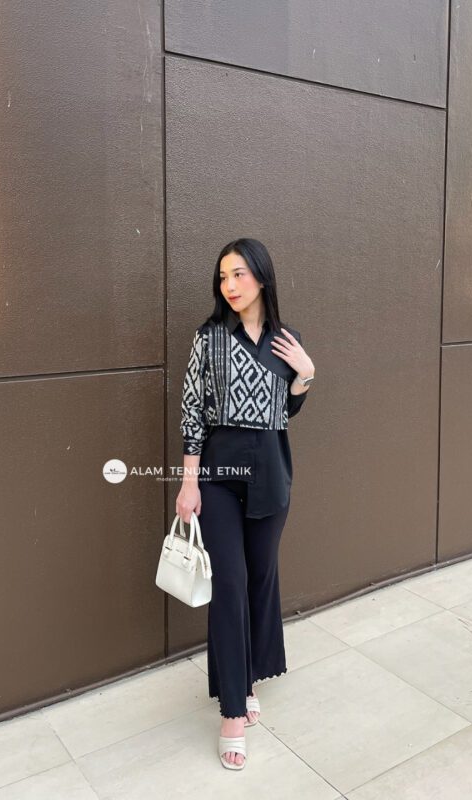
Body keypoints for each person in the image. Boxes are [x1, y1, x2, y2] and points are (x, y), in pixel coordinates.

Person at [176, 237, 315, 770]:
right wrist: (189, 483)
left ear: (261, 276)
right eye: (223, 276)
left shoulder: (286, 340)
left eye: (238, 274)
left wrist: (306, 375)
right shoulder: (209, 338)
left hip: (271, 476)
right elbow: (192, 410)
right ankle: (232, 710)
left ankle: (250, 677)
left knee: (260, 579)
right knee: (229, 585)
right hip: (218, 478)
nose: (229, 285)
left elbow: (285, 412)